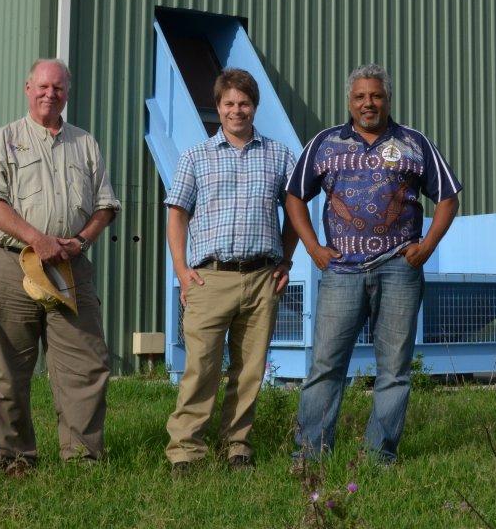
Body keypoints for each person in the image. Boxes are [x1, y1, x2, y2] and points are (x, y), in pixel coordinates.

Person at [286, 65, 462, 465]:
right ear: (350, 101)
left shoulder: (414, 143)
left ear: (388, 99)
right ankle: (310, 457)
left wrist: (427, 247)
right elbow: (294, 195)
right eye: (361, 96)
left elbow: (448, 197)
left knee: (394, 371)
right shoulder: (325, 143)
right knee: (326, 366)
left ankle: (379, 456)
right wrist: (313, 248)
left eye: (376, 96)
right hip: (341, 271)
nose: (369, 103)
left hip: (399, 269)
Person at [0, 59, 120, 477]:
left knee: (85, 364)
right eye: (42, 86)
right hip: (9, 263)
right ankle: (15, 458)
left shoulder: (85, 144)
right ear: (28, 89)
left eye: (57, 88)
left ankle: (83, 459)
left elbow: (106, 205)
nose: (49, 94)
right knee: (7, 369)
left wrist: (83, 240)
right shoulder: (4, 140)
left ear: (67, 93)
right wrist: (37, 239)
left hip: (69, 266)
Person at [163, 69, 298, 474]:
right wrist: (181, 269)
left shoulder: (279, 155)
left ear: (255, 107)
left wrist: (286, 260)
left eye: (244, 103)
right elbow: (177, 214)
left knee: (250, 370)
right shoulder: (195, 156)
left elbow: (295, 212)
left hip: (262, 277)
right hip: (210, 277)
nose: (236, 110)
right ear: (218, 108)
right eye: (229, 103)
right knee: (201, 367)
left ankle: (237, 445)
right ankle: (186, 450)